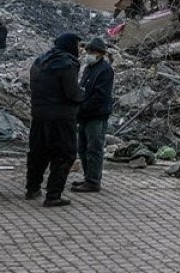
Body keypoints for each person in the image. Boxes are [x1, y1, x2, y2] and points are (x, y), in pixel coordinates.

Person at [26, 33, 84, 207]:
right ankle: (53, 195)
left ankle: (32, 188)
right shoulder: (67, 64)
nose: (79, 49)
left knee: (38, 152)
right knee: (65, 153)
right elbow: (72, 93)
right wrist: (83, 94)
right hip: (61, 117)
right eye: (77, 45)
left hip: (39, 115)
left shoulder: (40, 61)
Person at [73, 37, 114, 193]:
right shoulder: (89, 68)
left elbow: (99, 96)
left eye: (92, 51)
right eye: (88, 51)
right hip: (85, 115)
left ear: (100, 53)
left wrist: (83, 108)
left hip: (96, 115)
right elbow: (82, 89)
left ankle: (93, 181)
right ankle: (88, 177)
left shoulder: (105, 70)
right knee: (82, 148)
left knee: (94, 148)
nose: (89, 54)